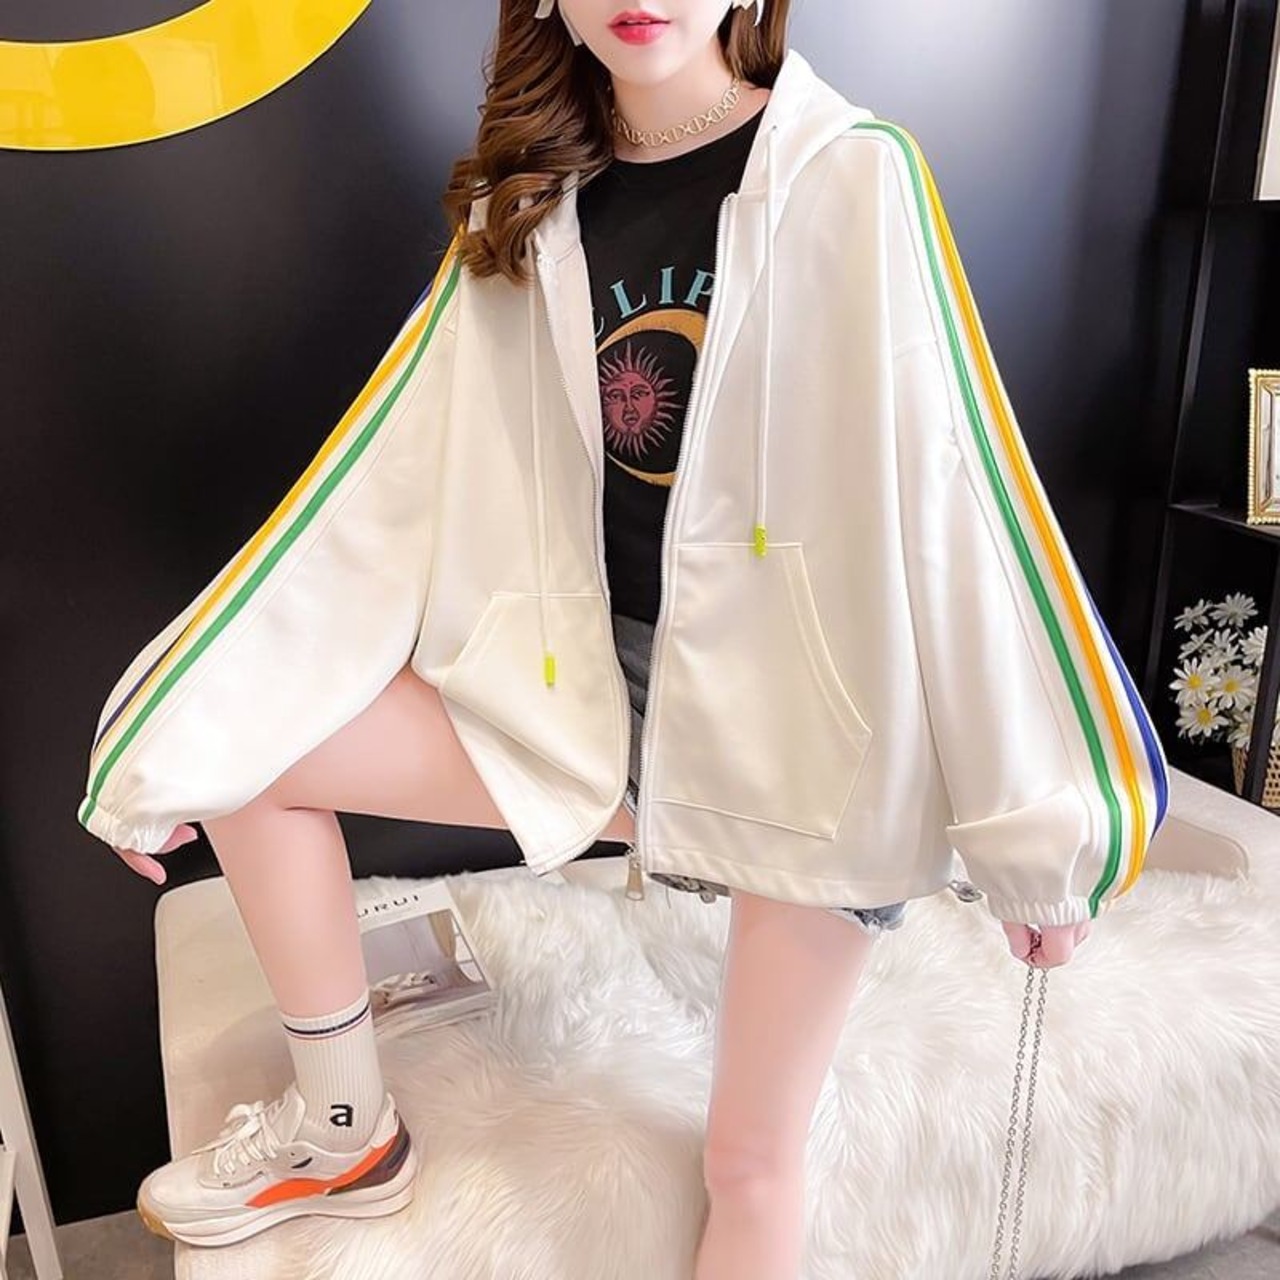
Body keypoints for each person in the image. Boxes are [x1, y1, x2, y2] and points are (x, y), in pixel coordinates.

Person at [78, 1, 1170, 1275]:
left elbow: (958, 491)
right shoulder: (526, 208)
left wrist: (1037, 835)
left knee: (749, 1167)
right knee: (249, 758)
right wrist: (176, 725)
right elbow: (378, 481)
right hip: (594, 693)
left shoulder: (852, 171)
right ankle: (343, 1130)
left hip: (806, 742)